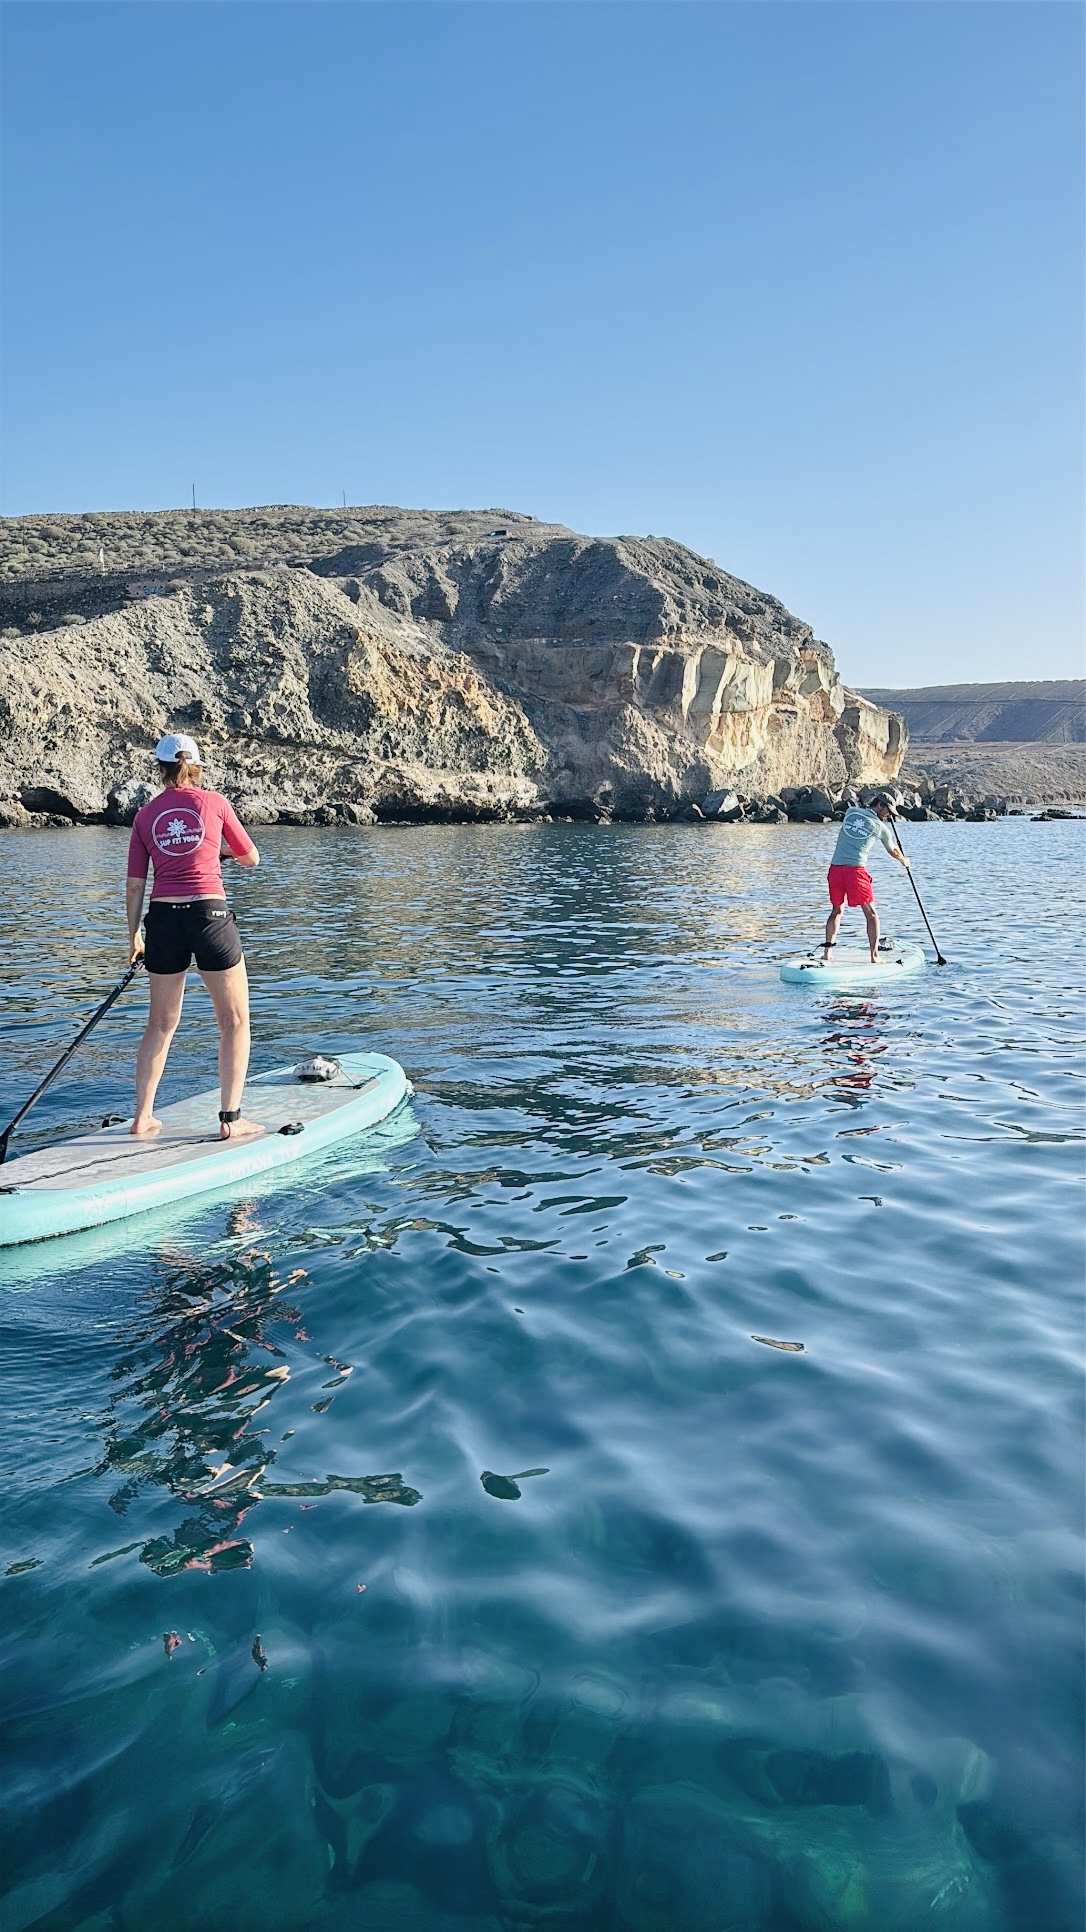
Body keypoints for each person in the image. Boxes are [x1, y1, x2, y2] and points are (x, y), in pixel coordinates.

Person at [126, 733, 262, 1139]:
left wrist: (134, 936)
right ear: (197, 766)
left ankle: (142, 1118)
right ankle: (231, 1122)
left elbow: (135, 885)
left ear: (160, 769)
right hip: (209, 915)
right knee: (234, 1020)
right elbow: (250, 858)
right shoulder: (216, 803)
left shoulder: (145, 815)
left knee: (161, 1023)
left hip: (163, 920)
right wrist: (218, 851)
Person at [821, 793, 910, 965]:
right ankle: (874, 956)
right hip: (855, 872)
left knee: (836, 911)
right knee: (872, 915)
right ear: (879, 806)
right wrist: (904, 861)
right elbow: (893, 850)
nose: (888, 815)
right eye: (888, 811)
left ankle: (827, 953)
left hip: (835, 870)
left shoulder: (851, 812)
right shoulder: (882, 828)